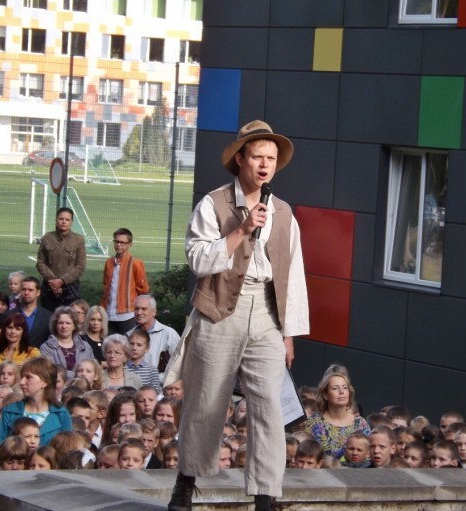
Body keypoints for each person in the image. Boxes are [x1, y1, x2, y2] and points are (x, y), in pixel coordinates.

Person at [165, 120, 309, 511]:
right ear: (241, 159)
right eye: (258, 156)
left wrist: (289, 333)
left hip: (266, 313)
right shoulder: (212, 204)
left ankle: (266, 496)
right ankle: (186, 482)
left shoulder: (283, 211)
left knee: (269, 406)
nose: (265, 165)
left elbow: (292, 274)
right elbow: (197, 260)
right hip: (219, 311)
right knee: (206, 402)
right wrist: (242, 230)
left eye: (271, 159)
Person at [0, 357, 72, 449]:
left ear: (45, 382)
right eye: (22, 377)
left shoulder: (61, 414)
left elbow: (68, 451)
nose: (22, 382)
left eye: (28, 377)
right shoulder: (10, 411)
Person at [305, 370, 369, 459]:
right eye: (335, 388)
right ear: (325, 394)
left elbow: (368, 456)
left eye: (345, 388)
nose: (341, 391)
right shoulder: (314, 422)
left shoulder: (360, 423)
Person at [36, 207, 86, 311]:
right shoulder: (47, 238)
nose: (64, 222)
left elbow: (80, 266)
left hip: (70, 287)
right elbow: (40, 262)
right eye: (61, 219)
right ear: (56, 220)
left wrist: (62, 281)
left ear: (71, 222)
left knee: (71, 318)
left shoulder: (78, 240)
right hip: (49, 287)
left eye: (67, 219)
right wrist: (53, 282)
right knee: (48, 317)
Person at [102, 228, 150, 335]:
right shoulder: (109, 262)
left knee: (128, 343)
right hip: (108, 314)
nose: (119, 245)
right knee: (109, 344)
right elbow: (105, 286)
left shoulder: (136, 263)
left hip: (127, 315)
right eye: (116, 241)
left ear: (130, 244)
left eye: (122, 242)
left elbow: (143, 289)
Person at [127, 295, 179, 385]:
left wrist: (155, 379)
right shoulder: (128, 335)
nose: (139, 312)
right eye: (136, 309)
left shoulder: (169, 334)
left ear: (153, 312)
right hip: (132, 387)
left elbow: (178, 366)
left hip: (160, 388)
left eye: (144, 309)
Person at [39, 306, 93, 378]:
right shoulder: (46, 347)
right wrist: (77, 375)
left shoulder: (86, 347)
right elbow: (49, 372)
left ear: (74, 326)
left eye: (68, 323)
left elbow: (92, 369)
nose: (64, 326)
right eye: (60, 323)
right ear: (55, 326)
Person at [19, 277, 52, 347]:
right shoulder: (9, 315)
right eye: (23, 289)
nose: (26, 293)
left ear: (38, 292)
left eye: (30, 290)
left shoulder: (48, 317)